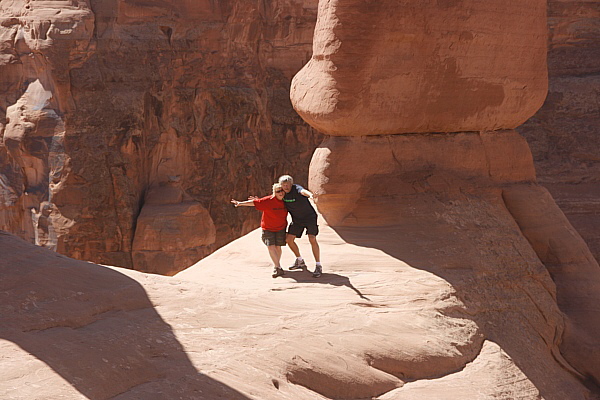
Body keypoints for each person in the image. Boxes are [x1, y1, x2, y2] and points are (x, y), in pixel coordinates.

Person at [231, 183, 288, 278]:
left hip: (280, 228)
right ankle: (277, 267)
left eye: (282, 190)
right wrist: (240, 203)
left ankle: (277, 265)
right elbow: (254, 203)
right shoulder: (268, 200)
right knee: (270, 246)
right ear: (274, 192)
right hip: (268, 228)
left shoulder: (286, 201)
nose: (281, 193)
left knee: (278, 247)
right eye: (278, 191)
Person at [278, 175, 323, 277]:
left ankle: (318, 265)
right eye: (284, 185)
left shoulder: (296, 188)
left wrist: (310, 195)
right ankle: (299, 260)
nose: (286, 187)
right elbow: (271, 198)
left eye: (288, 185)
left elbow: (303, 191)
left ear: (291, 184)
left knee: (312, 238)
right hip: (297, 220)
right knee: (289, 240)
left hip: (309, 217)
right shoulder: (281, 193)